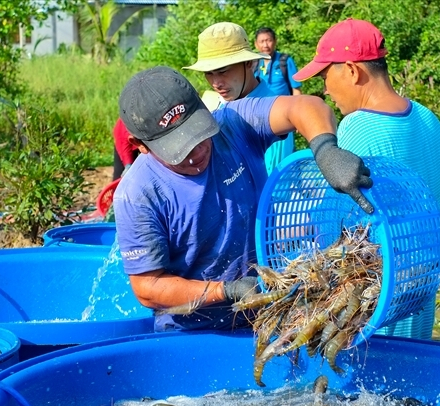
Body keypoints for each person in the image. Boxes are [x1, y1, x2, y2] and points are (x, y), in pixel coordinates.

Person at [113, 65, 373, 332]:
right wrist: (225, 291)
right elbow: (148, 287)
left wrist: (325, 149)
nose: (195, 152)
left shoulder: (233, 125)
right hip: (193, 330)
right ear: (140, 146)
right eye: (177, 149)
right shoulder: (138, 194)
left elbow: (306, 106)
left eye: (197, 134)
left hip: (268, 310)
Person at [293, 18, 440, 224]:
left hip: (388, 256)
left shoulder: (357, 126)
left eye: (324, 77)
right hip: (434, 254)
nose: (325, 90)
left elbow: (341, 221)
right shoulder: (429, 118)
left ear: (352, 70)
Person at [184, 22, 290, 176]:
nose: (216, 83)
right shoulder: (219, 103)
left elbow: (273, 179)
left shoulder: (273, 110)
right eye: (208, 73)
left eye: (223, 71)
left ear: (249, 63)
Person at [254, 27, 302, 96]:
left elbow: (296, 90)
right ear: (256, 44)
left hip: (284, 105)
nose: (265, 45)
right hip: (261, 106)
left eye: (269, 40)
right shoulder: (253, 63)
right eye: (261, 42)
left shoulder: (285, 61)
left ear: (275, 41)